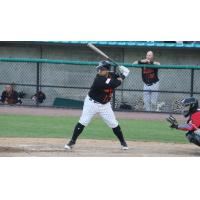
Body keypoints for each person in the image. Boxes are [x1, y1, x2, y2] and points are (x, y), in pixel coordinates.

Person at [64, 60, 130, 150]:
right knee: (83, 121)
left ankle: (123, 142)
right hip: (91, 103)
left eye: (101, 69)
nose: (99, 71)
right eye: (99, 69)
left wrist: (123, 71)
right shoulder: (99, 79)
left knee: (113, 123)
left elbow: (116, 76)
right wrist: (124, 75)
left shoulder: (111, 74)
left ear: (107, 70)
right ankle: (72, 141)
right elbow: (116, 83)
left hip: (105, 105)